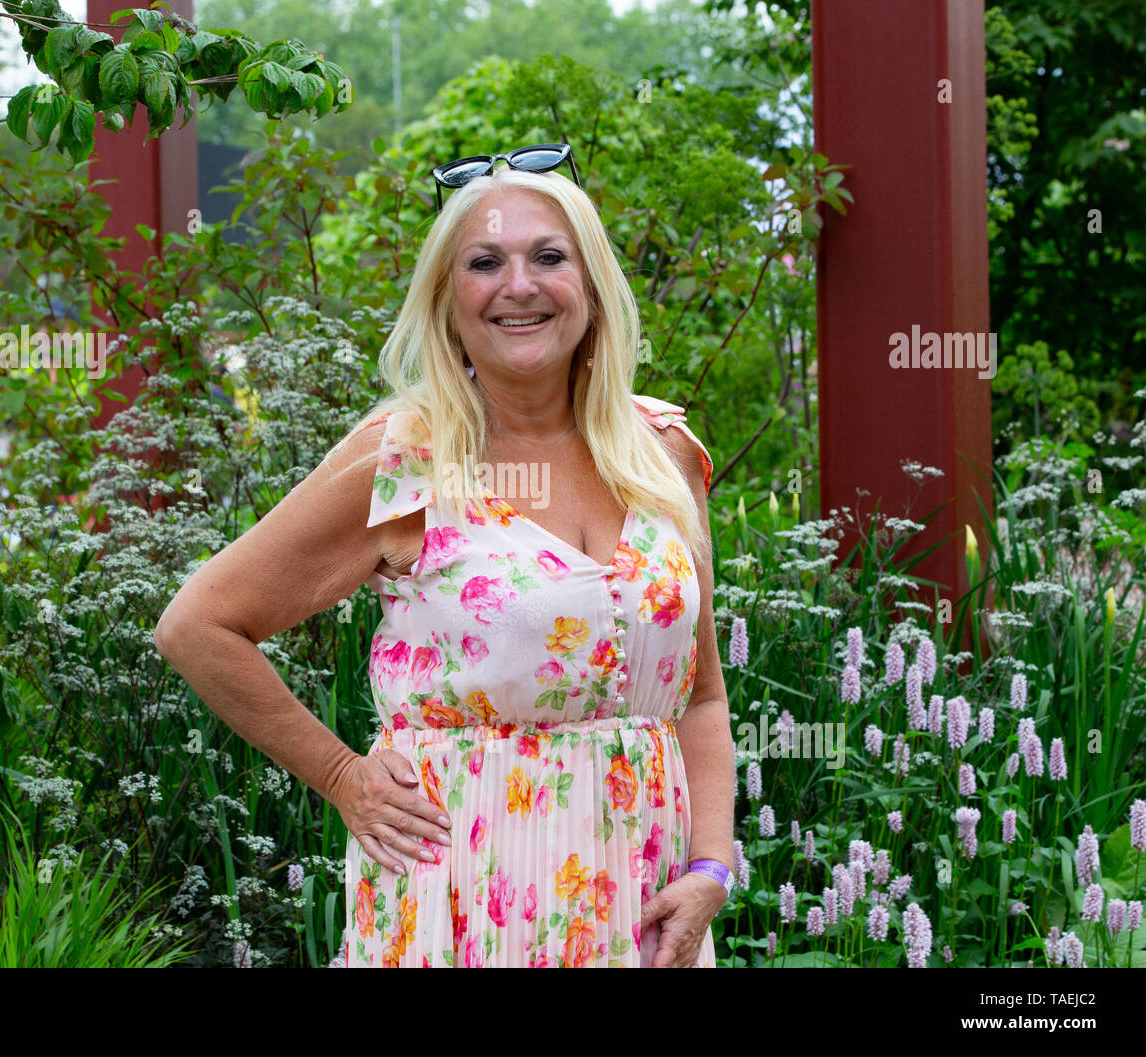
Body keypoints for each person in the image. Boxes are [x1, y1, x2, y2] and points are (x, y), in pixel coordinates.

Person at [154, 144, 736, 967]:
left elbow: (702, 697)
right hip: (457, 906)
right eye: (484, 262)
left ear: (594, 287)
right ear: (447, 300)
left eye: (548, 257)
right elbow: (198, 623)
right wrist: (341, 776)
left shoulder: (664, 454)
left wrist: (712, 864)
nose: (519, 285)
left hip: (642, 916)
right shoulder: (404, 463)